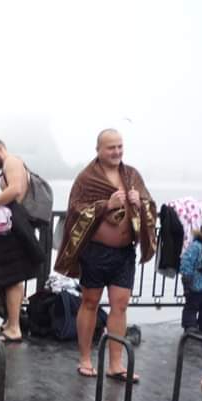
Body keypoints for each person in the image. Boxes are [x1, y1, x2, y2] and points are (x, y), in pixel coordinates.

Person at [55, 129, 156, 381]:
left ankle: (116, 363)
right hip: (96, 251)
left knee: (120, 305)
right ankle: (86, 358)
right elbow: (76, 210)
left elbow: (149, 205)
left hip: (124, 251)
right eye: (111, 147)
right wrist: (106, 205)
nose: (117, 152)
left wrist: (139, 202)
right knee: (90, 302)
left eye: (120, 146)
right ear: (99, 149)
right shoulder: (87, 178)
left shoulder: (131, 175)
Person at [0, 137, 41, 342]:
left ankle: (14, 327)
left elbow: (15, 190)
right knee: (7, 277)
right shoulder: (10, 164)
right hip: (13, 224)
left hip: (15, 225)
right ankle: (10, 322)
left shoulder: (11, 162)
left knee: (12, 278)